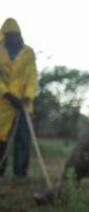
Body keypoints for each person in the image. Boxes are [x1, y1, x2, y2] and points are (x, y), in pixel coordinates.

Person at [0, 18, 37, 180]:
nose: (13, 38)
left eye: (16, 35)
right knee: (1, 137)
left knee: (23, 137)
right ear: (4, 36)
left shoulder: (28, 53)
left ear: (20, 35)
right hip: (3, 103)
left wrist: (28, 97)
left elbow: (32, 77)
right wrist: (7, 94)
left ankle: (20, 173)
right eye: (10, 36)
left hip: (23, 102)